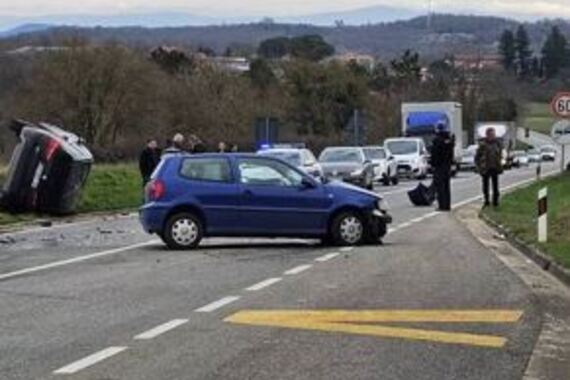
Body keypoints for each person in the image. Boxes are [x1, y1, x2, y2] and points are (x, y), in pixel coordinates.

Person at [475, 128, 503, 207]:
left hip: (495, 167)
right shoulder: (482, 145)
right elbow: (477, 157)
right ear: (487, 135)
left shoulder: (497, 144)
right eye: (491, 134)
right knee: (485, 185)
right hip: (485, 168)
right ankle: (486, 200)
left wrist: (500, 163)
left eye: (493, 134)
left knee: (495, 185)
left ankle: (495, 201)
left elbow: (500, 154)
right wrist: (479, 167)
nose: (492, 136)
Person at [430, 124, 454, 211]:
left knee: (440, 187)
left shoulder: (437, 140)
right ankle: (447, 205)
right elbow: (451, 154)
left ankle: (442, 205)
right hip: (447, 165)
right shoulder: (449, 140)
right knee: (446, 186)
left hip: (439, 166)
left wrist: (432, 164)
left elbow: (435, 154)